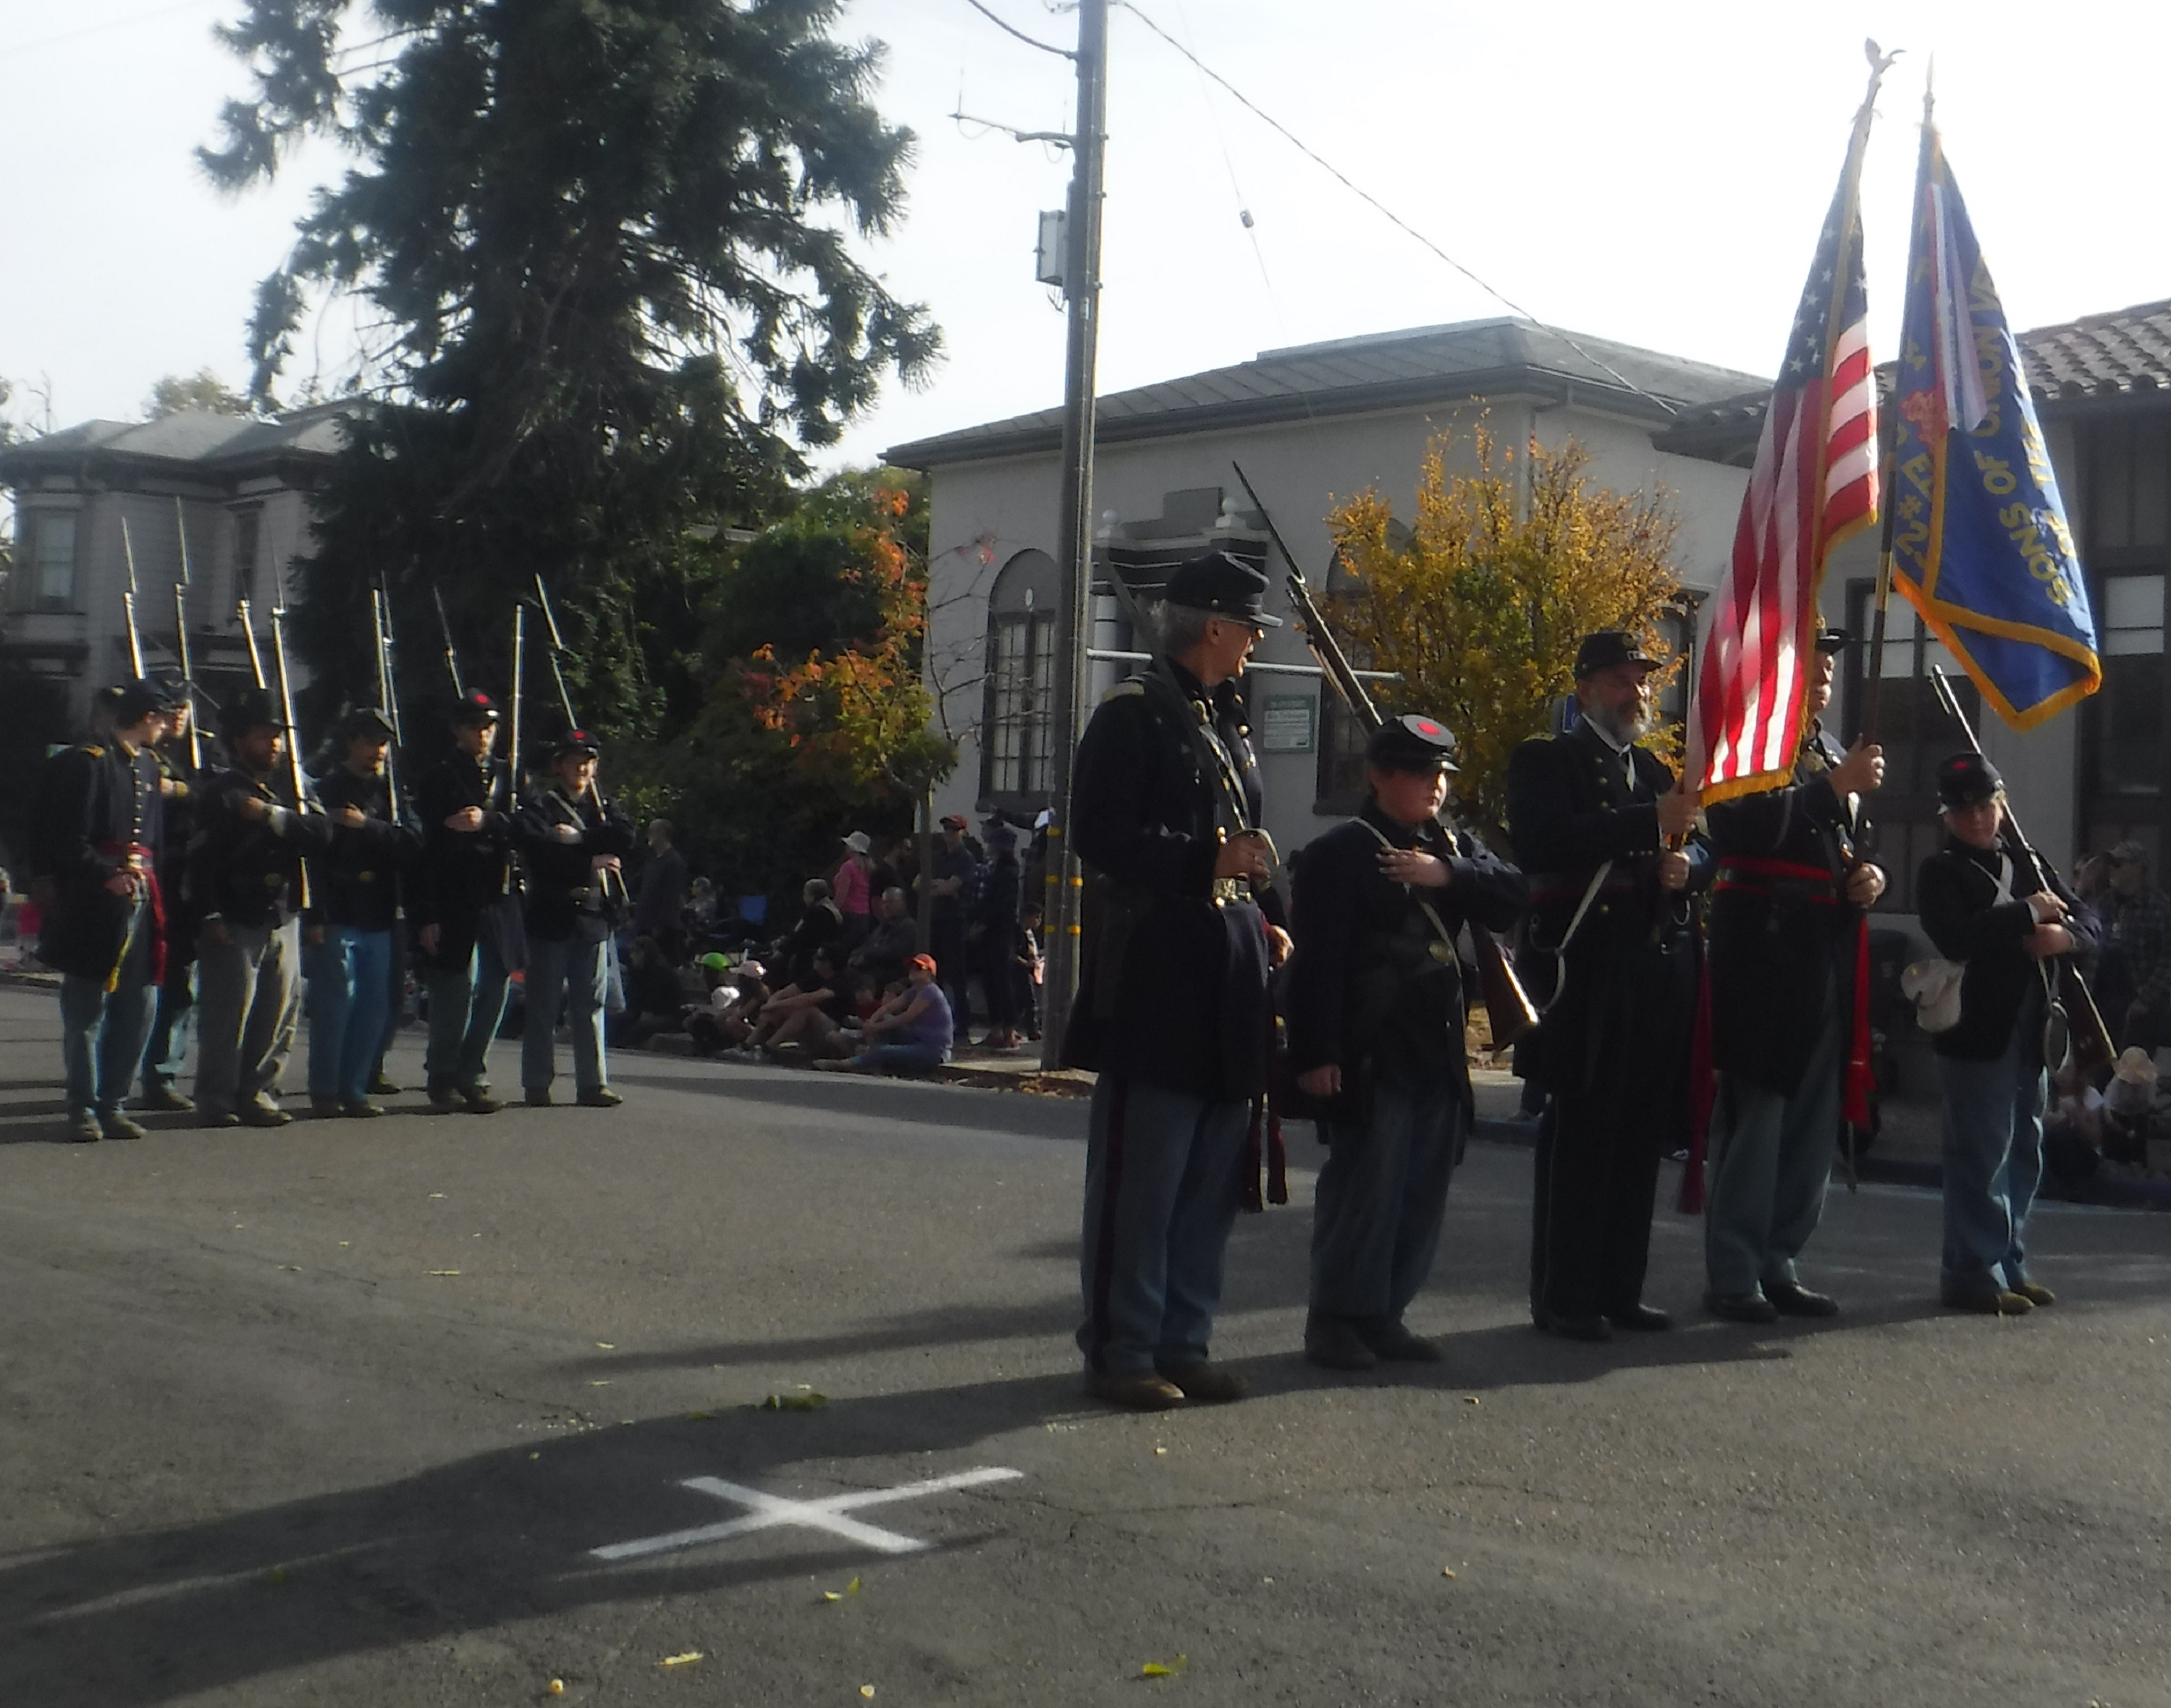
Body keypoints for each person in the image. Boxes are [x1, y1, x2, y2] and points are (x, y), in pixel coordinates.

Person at [1064, 549, 1286, 1411]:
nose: (1256, 642)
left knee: (1205, 1186)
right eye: (1250, 626)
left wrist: (1273, 918)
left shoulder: (1220, 717)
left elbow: (1249, 848)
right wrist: (1203, 861)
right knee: (1142, 1183)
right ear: (1217, 626)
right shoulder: (1134, 713)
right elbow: (1102, 836)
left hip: (1227, 968)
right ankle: (1121, 1348)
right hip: (1157, 971)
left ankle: (1181, 1341)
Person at [1286, 714, 1529, 1371]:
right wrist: (1317, 1054)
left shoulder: (1449, 847)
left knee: (1420, 1193)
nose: (1435, 786)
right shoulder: (1340, 853)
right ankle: (1335, 1318)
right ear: (1379, 777)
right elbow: (1318, 965)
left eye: (1440, 774)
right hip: (1372, 1047)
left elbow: (1514, 893)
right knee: (1364, 1190)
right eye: (1420, 774)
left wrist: (1445, 876)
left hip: (1437, 1046)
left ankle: (1385, 1313)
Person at [1506, 630, 1711, 1342]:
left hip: (1652, 964)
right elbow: (1543, 841)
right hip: (1586, 966)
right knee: (1584, 1133)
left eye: (1643, 682)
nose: (1637, 694)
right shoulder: (1547, 758)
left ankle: (1620, 1287)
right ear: (1586, 686)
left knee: (1637, 1134)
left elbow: (1701, 844)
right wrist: (1643, 825)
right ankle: (1564, 1294)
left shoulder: (1654, 771)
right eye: (1623, 680)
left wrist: (1691, 866)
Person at [1701, 627, 1889, 1323]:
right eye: (1814, 665)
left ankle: (1780, 1256)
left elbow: (1843, 850)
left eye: (1831, 668)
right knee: (1759, 1115)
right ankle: (1734, 1268)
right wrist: (1829, 788)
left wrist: (1869, 877)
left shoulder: (1829, 752)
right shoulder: (1748, 744)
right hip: (1764, 951)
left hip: (1824, 948)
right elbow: (1735, 831)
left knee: (1812, 1118)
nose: (1826, 677)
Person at [1916, 752, 2093, 1314]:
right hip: (1976, 1027)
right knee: (1979, 1152)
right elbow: (1955, 937)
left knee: (2023, 1149)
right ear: (1947, 815)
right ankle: (1971, 1270)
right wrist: (2025, 914)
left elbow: (2088, 920)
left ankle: (2010, 1262)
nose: (1976, 819)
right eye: (1963, 809)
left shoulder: (2029, 861)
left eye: (1985, 806)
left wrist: (2064, 939)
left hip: (2032, 1023)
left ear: (2000, 805)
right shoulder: (1939, 871)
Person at [190, 688, 337, 1128]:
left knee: (279, 1011)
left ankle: (259, 1091)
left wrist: (272, 816)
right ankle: (216, 1097)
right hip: (236, 913)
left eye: (277, 736)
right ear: (239, 741)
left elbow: (321, 834)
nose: (273, 744)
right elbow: (201, 861)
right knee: (228, 1015)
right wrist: (209, 914)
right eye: (262, 736)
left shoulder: (292, 787)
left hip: (283, 911)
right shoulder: (220, 793)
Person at [40, 680, 171, 1142]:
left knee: (141, 1006)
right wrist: (105, 876)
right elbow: (66, 840)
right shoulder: (90, 764)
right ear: (146, 717)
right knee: (86, 1012)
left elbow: (153, 844)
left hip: (141, 896)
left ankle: (114, 1101)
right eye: (161, 718)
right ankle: (83, 1107)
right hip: (95, 906)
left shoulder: (150, 767)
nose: (165, 727)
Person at [304, 708, 421, 1117]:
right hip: (338, 907)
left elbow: (413, 844)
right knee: (337, 1005)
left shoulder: (392, 792)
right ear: (352, 742)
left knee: (375, 1005)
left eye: (384, 743)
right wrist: (314, 915)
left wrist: (366, 826)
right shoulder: (326, 789)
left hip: (379, 912)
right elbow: (313, 858)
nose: (379, 751)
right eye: (371, 741)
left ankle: (354, 1087)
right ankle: (325, 1088)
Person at [412, 690, 520, 1115]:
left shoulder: (508, 776)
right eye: (476, 726)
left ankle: (472, 1071)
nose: (484, 734)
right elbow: (426, 851)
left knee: (496, 989)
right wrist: (427, 914)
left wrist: (488, 820)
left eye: (490, 726)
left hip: (499, 896)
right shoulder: (439, 778)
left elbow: (528, 824)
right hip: (454, 895)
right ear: (458, 730)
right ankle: (442, 1074)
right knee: (458, 990)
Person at [515, 729, 636, 1107]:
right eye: (574, 760)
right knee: (544, 1006)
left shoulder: (602, 807)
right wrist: (589, 857)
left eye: (588, 761)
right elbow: (538, 852)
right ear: (559, 766)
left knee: (590, 1005)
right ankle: (537, 1082)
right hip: (552, 913)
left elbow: (625, 838)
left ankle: (592, 1082)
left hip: (593, 916)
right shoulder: (543, 806)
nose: (581, 768)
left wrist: (578, 843)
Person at [137, 678, 201, 1113]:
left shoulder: (204, 756)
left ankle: (162, 1071)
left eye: (185, 707)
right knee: (134, 986)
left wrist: (185, 790)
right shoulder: (141, 753)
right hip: (147, 875)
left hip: (188, 881)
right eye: (172, 707)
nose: (179, 715)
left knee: (180, 985)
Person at [820, 952, 953, 1075]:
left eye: (919, 968)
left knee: (886, 1049)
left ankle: (845, 1064)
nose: (913, 970)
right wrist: (872, 1021)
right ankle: (869, 1053)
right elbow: (888, 1008)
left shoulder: (930, 991)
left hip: (934, 1049)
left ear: (930, 973)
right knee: (886, 1020)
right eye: (911, 967)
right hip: (917, 1039)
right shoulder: (914, 990)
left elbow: (907, 1017)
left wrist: (876, 1027)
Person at [2100, 841, 2171, 1052]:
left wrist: (2146, 1000)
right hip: (2103, 999)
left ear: (2138, 869)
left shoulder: (2159, 908)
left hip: (2138, 1004)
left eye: (2119, 864)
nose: (2113, 869)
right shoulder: (2105, 902)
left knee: (2133, 1070)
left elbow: (2168, 960)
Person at [971, 821, 1024, 1049]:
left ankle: (1008, 1030)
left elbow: (1001, 905)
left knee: (1001, 982)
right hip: (992, 932)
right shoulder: (997, 869)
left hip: (1000, 933)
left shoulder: (1008, 872)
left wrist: (983, 923)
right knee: (991, 981)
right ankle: (996, 1029)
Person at [928, 814, 977, 1029]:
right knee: (935, 972)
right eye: (946, 828)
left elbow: (950, 888)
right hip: (937, 918)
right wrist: (940, 885)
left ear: (963, 832)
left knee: (956, 974)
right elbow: (919, 883)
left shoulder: (966, 859)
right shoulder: (940, 857)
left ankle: (963, 1024)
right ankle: (937, 1019)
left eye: (954, 829)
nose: (949, 833)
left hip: (956, 920)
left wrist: (940, 886)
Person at [633, 818, 689, 960]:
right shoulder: (652, 862)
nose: (649, 835)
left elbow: (671, 897)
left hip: (663, 930)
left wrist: (659, 926)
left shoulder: (674, 862)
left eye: (652, 831)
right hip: (645, 926)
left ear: (662, 834)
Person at [686, 956, 766, 1054]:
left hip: (760, 1029)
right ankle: (714, 1044)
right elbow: (731, 1006)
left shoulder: (759, 995)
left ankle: (746, 1047)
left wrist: (728, 1014)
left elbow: (742, 1013)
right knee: (724, 1015)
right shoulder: (746, 994)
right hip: (752, 1026)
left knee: (731, 1021)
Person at [848, 885, 918, 991]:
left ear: (902, 904)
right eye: (884, 902)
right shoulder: (881, 927)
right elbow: (867, 944)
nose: (885, 906)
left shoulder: (908, 926)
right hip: (873, 967)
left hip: (892, 971)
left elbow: (894, 952)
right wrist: (856, 954)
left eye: (890, 902)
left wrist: (867, 956)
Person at [832, 831, 874, 941]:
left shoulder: (848, 867)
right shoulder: (869, 868)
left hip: (849, 915)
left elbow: (842, 892)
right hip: (864, 915)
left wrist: (834, 910)